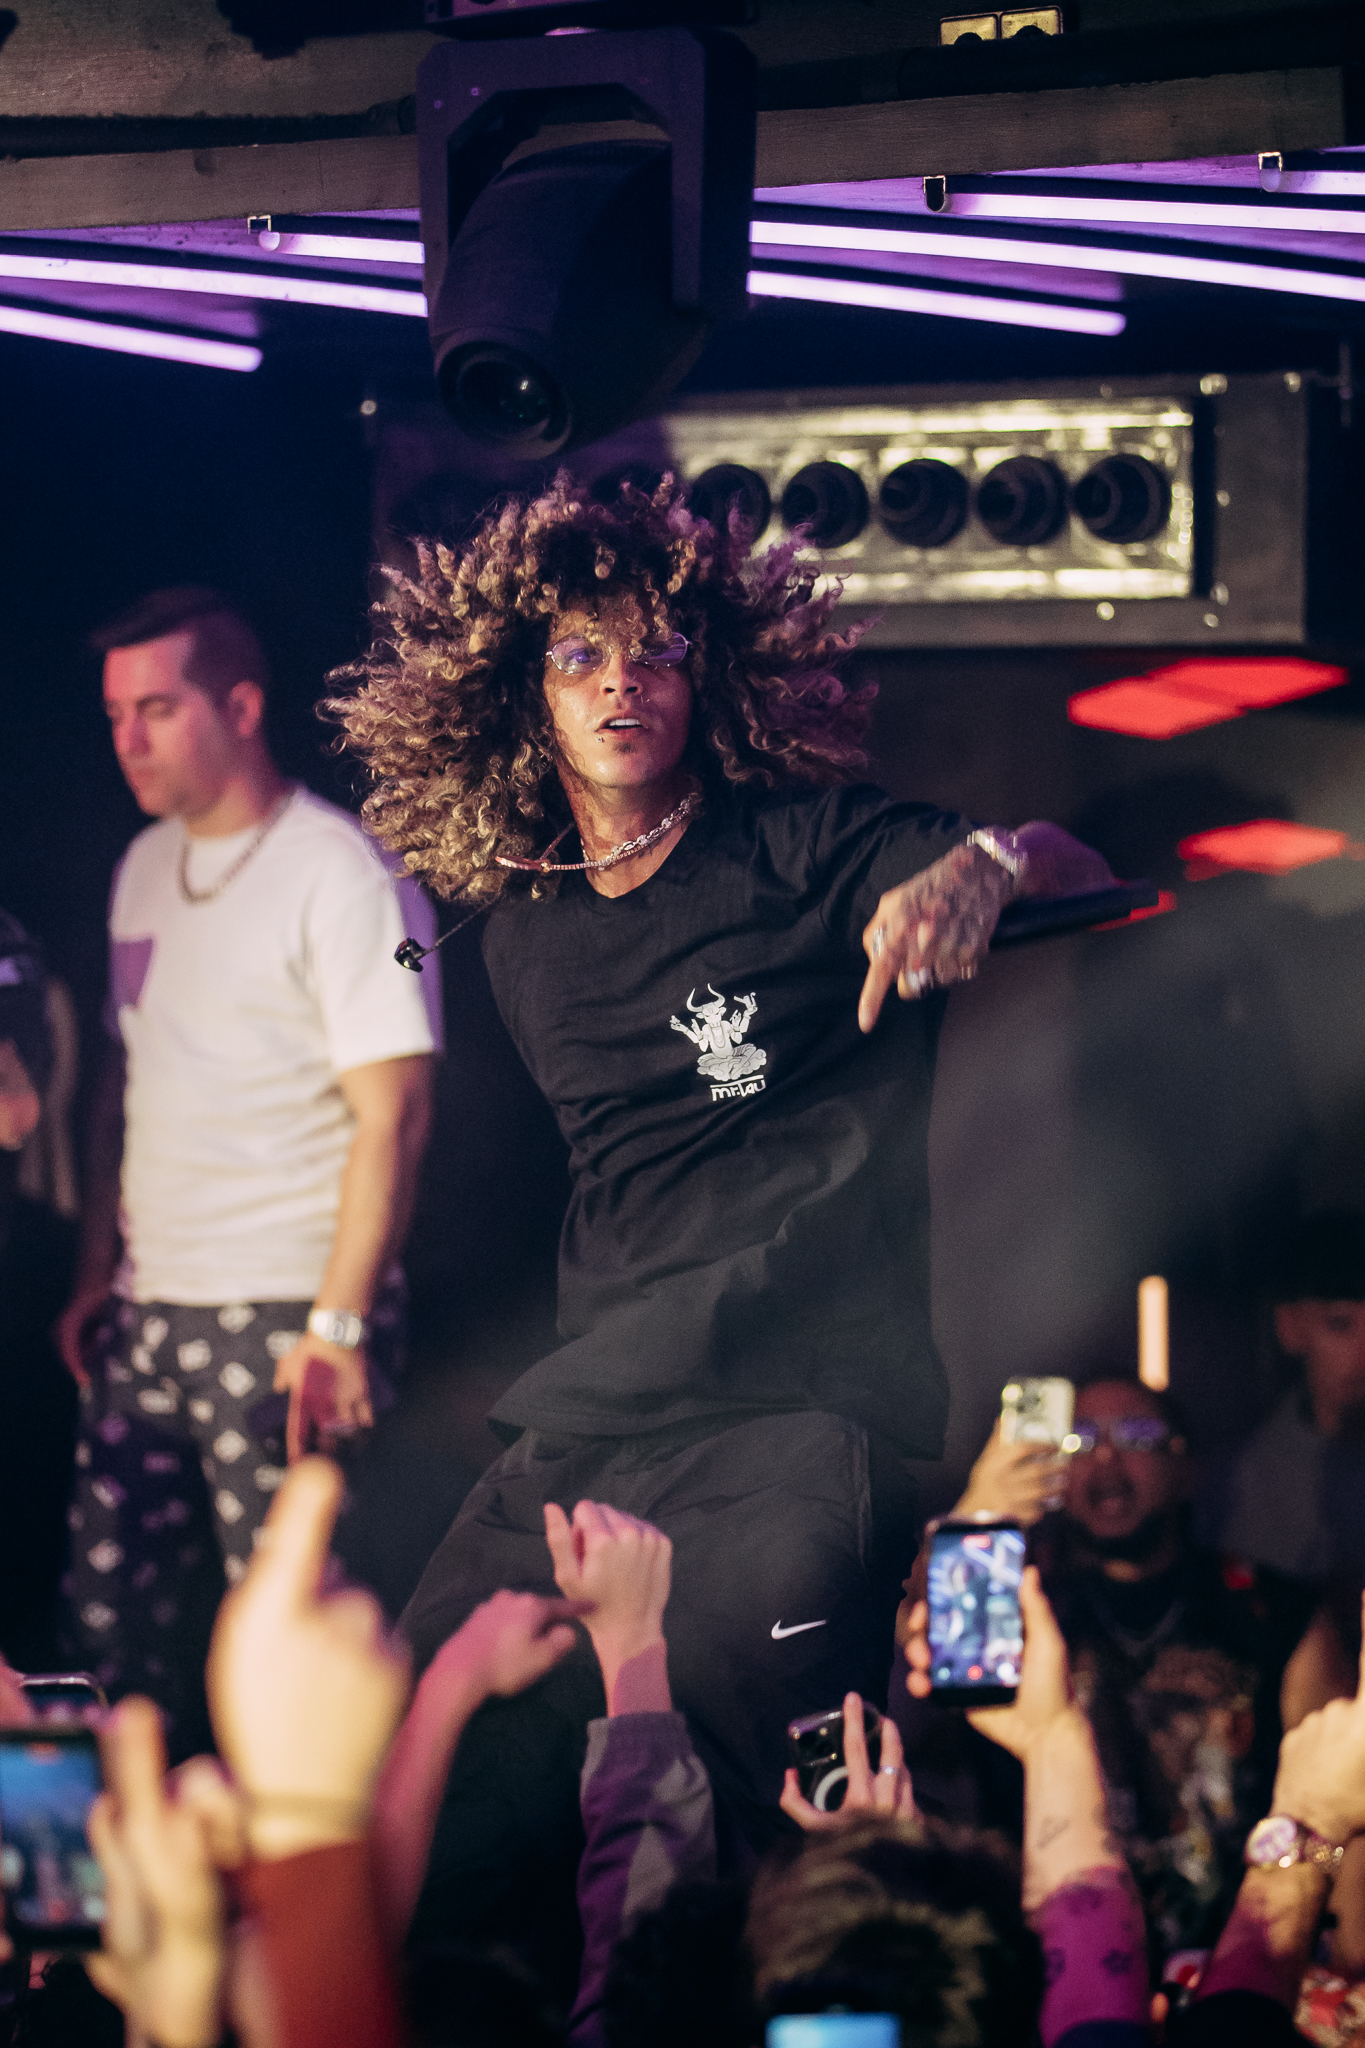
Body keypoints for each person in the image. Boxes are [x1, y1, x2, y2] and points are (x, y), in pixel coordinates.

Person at [330, 474, 1113, 1980]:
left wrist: (989, 867)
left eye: (657, 650)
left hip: (787, 1413)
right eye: (580, 655)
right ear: (524, 691)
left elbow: (1065, 866)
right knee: (417, 1770)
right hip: (587, 1422)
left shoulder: (808, 848)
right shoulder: (518, 923)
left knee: (774, 1838)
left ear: (710, 675)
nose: (621, 682)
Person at [57, 586, 440, 1748]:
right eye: (115, 714)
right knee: (108, 1640)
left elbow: (396, 1111)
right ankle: (102, 1866)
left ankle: (308, 1871)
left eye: (157, 709)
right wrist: (97, 1269)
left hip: (284, 1316)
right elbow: (127, 1084)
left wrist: (338, 1324)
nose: (128, 739)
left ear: (240, 705)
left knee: (290, 1653)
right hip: (150, 1309)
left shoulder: (345, 870)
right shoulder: (140, 866)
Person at [898, 1373, 1327, 1973]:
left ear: (1187, 1467)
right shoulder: (1017, 1599)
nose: (1104, 1458)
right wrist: (978, 1514)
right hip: (1054, 1958)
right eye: (1077, 1439)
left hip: (1244, 1958)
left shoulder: (1273, 1610)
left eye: (1137, 1435)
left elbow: (1329, 1793)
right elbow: (920, 1647)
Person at [1214, 1210, 1365, 1590]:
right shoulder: (1244, 1478)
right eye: (1340, 1325)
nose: (1362, 1351)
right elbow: (1234, 1590)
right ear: (1290, 1327)